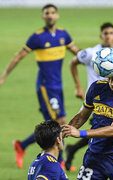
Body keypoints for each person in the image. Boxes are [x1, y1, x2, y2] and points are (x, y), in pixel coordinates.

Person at [0, 4, 79, 169]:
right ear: (43, 17)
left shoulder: (63, 35)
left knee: (54, 124)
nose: (50, 16)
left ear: (57, 15)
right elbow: (18, 57)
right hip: (46, 86)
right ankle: (60, 161)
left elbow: (79, 53)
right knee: (59, 122)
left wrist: (97, 59)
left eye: (52, 13)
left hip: (57, 86)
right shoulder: (37, 37)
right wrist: (5, 75)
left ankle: (22, 146)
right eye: (46, 13)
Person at [65, 22, 113, 170]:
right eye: (105, 33)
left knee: (106, 130)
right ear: (101, 36)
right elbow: (73, 62)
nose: (108, 36)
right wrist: (78, 86)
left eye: (111, 33)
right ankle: (75, 150)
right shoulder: (91, 53)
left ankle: (73, 149)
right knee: (103, 129)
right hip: (98, 98)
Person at [63, 57, 113, 180]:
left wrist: (80, 133)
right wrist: (62, 133)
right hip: (94, 155)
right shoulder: (97, 88)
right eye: (109, 78)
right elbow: (81, 116)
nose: (112, 83)